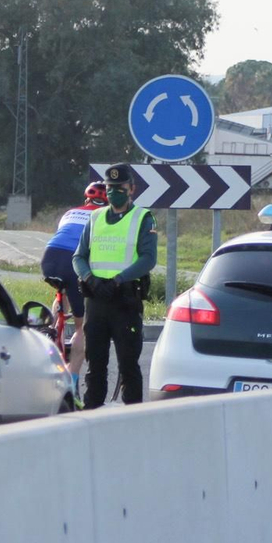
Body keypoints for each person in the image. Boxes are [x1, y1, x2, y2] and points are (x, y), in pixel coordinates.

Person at [72, 163, 157, 409]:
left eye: (119, 188)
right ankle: (91, 415)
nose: (113, 192)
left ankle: (133, 418)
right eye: (109, 188)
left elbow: (148, 258)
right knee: (95, 366)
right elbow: (79, 257)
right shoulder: (95, 217)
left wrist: (119, 279)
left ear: (131, 189)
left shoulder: (143, 217)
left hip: (125, 301)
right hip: (96, 300)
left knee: (128, 366)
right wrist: (90, 279)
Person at [42, 181, 107, 401]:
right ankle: (73, 384)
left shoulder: (70, 212)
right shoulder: (104, 217)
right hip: (72, 262)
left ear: (86, 198)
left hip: (49, 258)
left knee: (62, 291)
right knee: (83, 327)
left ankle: (51, 327)